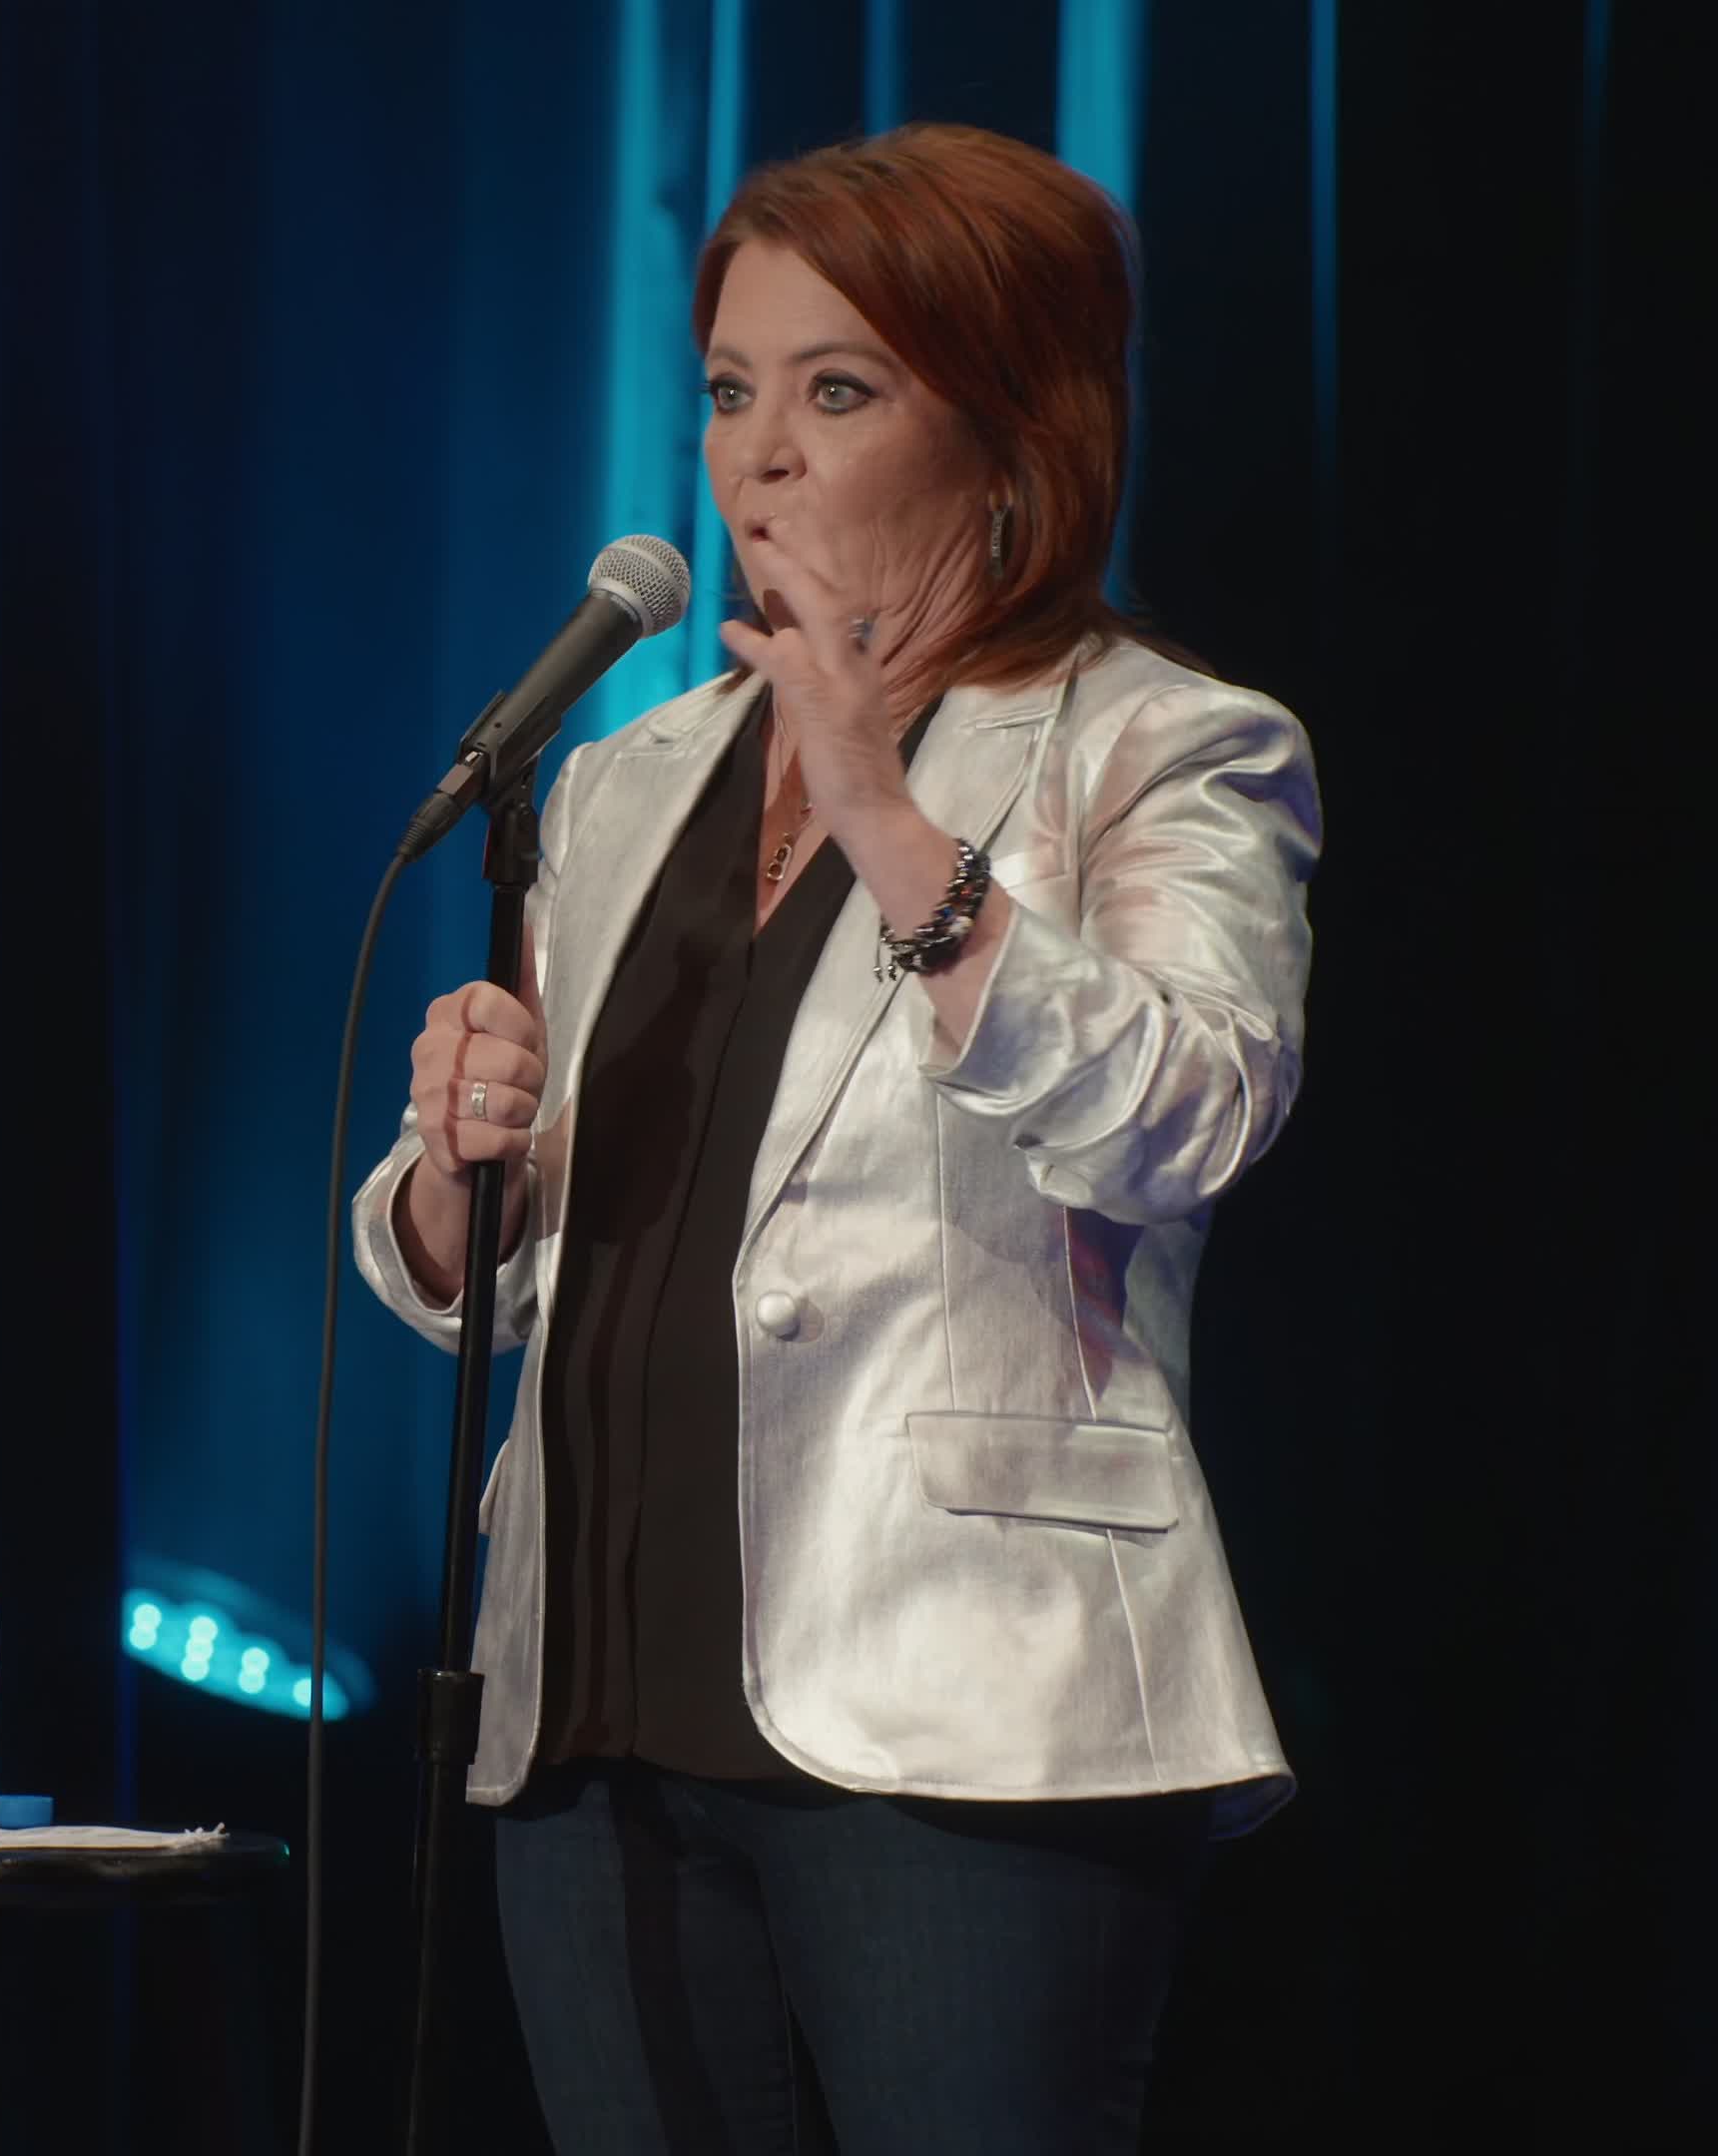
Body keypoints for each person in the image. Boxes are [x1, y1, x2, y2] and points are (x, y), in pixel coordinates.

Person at [350, 124, 1320, 2154]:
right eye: (730, 390)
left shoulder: (1156, 741)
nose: (759, 456)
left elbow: (1188, 1115)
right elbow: (497, 1283)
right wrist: (457, 1172)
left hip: (963, 1709)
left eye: (840, 389)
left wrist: (887, 815)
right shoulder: (622, 784)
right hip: (592, 1691)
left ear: (1011, 439)